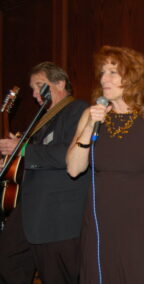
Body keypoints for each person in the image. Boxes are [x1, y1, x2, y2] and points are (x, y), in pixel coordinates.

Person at [66, 45, 144, 283]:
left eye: (113, 72)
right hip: (101, 217)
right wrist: (88, 129)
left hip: (142, 217)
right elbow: (73, 169)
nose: (104, 78)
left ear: (133, 77)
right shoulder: (90, 115)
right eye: (102, 73)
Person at [0, 62, 89, 283]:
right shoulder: (43, 120)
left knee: (57, 277)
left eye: (40, 86)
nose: (34, 94)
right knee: (7, 262)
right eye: (32, 89)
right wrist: (11, 161)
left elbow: (65, 155)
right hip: (30, 212)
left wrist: (22, 148)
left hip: (57, 218)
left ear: (60, 83)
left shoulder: (78, 110)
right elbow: (33, 161)